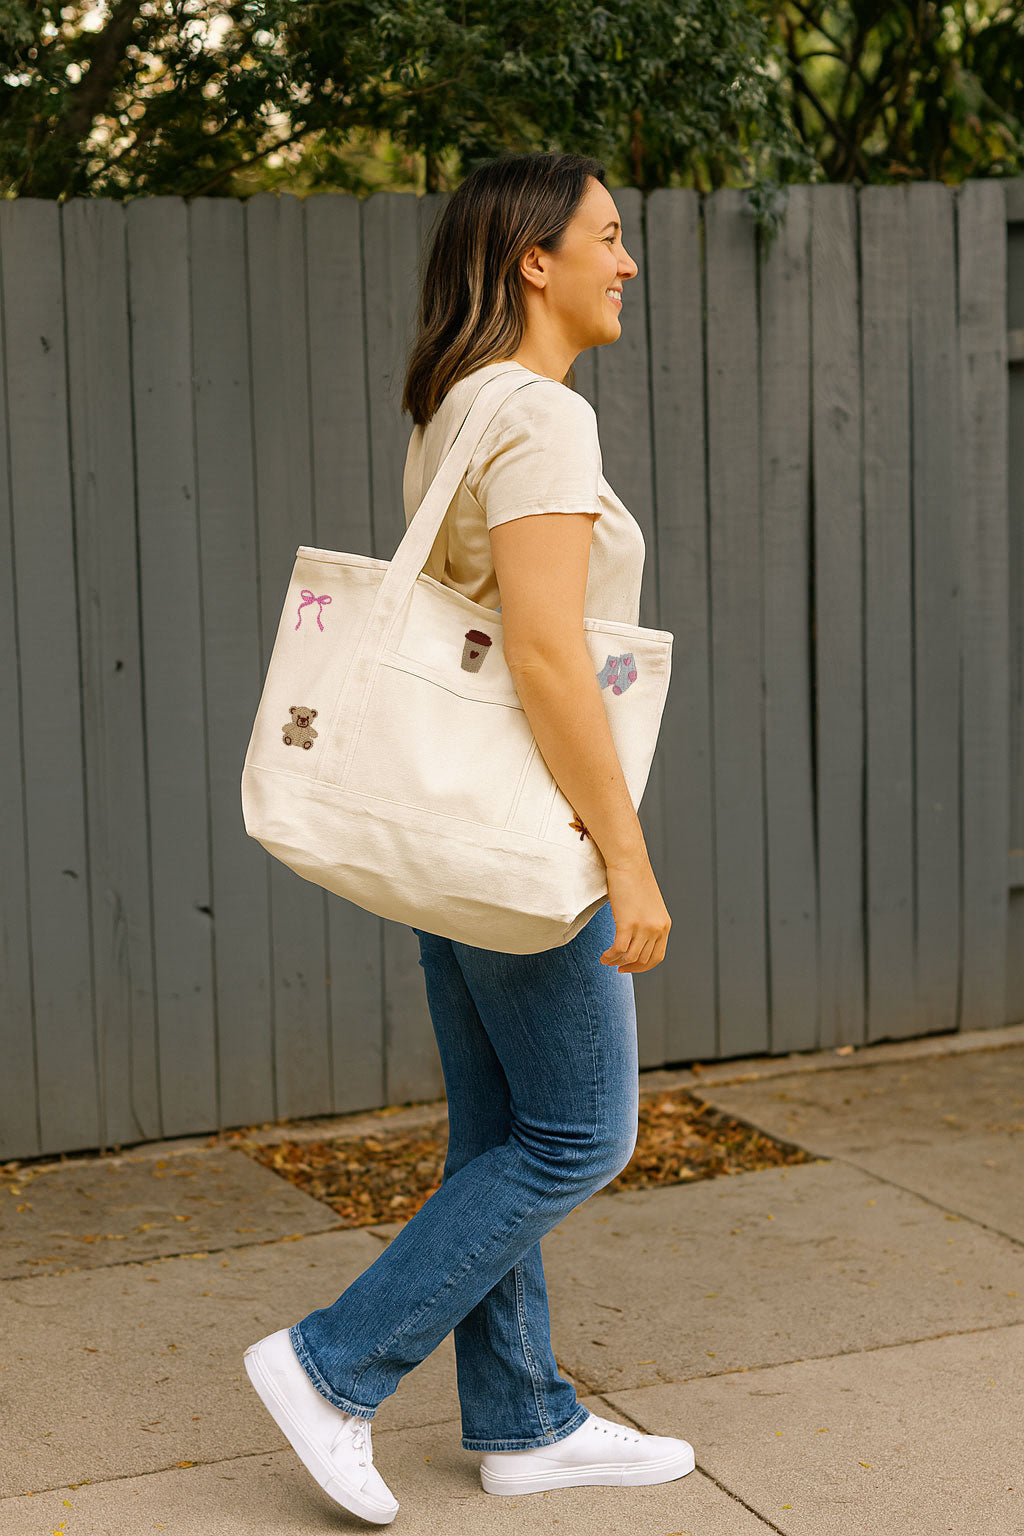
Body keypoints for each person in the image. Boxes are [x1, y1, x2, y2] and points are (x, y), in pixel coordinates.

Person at [243, 150, 691, 1526]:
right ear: (532, 261)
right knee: (581, 1136)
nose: (628, 262)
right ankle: (332, 1368)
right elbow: (549, 658)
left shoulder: (456, 406)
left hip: (450, 836)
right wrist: (626, 856)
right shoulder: (545, 420)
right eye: (607, 239)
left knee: (502, 1128)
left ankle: (522, 1420)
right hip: (525, 834)